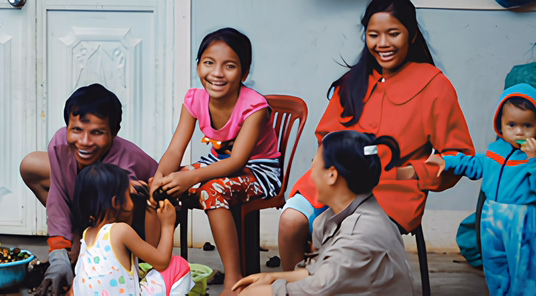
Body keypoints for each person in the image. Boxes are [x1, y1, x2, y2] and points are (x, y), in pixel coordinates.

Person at [276, 0, 475, 271]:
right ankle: (296, 288)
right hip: (334, 182)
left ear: (412, 35)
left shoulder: (435, 86)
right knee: (290, 220)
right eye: (373, 35)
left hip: (391, 192)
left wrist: (412, 172)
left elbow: (458, 156)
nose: (383, 43)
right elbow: (326, 137)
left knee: (351, 235)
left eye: (393, 33)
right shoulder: (352, 81)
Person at [150, 27, 281, 294]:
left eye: (229, 66)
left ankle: (234, 277)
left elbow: (236, 161)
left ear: (244, 73)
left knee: (211, 191)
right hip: (215, 165)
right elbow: (176, 150)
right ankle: (153, 266)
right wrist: (160, 176)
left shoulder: (254, 106)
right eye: (209, 63)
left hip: (258, 172)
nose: (217, 73)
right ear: (198, 65)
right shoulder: (194, 100)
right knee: (163, 186)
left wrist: (192, 176)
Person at [231, 131, 415, 295]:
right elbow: (319, 272)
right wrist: (271, 277)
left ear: (332, 175)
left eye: (314, 165)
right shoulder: (336, 216)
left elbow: (317, 287)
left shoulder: (358, 238)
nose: (310, 174)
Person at [22, 84, 160, 295]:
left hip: (134, 219)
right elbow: (58, 194)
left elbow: (120, 215)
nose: (84, 142)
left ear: (114, 133)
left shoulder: (124, 165)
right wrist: (59, 254)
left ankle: (113, 249)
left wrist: (90, 266)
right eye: (76, 129)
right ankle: (79, 236)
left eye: (97, 132)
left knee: (118, 203)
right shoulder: (59, 144)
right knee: (30, 164)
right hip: (94, 210)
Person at [426, 83, 536, 295]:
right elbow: (474, 165)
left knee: (523, 269)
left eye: (527, 125)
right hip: (492, 215)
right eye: (512, 125)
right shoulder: (494, 151)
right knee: (494, 265)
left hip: (522, 218)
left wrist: (533, 161)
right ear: (500, 125)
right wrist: (446, 161)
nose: (519, 132)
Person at [70, 163, 190, 295]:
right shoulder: (120, 231)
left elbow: (151, 250)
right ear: (115, 202)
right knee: (178, 265)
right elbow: (161, 262)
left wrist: (151, 205)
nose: (133, 192)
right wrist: (168, 225)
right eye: (128, 192)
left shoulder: (87, 234)